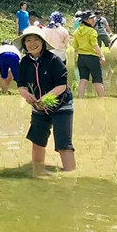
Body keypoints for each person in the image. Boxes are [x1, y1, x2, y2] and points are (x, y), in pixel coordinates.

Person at [15, 26, 75, 172]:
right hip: (38, 107)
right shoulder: (24, 63)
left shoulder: (54, 60)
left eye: (36, 39)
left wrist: (46, 99)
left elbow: (62, 85)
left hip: (62, 105)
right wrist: (26, 95)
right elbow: (21, 85)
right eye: (28, 40)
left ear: (42, 42)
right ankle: (37, 173)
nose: (32, 43)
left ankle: (70, 176)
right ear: (24, 44)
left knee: (63, 144)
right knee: (37, 141)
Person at [72, 12, 106, 98]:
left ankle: (80, 99)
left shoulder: (76, 32)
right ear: (87, 20)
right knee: (97, 80)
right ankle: (102, 100)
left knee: (83, 79)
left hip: (81, 58)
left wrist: (77, 58)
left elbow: (75, 47)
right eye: (92, 18)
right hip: (92, 58)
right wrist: (102, 56)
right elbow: (95, 45)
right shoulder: (92, 31)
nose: (94, 20)